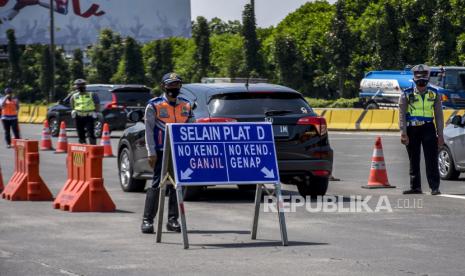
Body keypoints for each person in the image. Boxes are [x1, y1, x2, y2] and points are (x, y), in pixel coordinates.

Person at [141, 73, 193, 234]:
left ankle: (172, 220)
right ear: (163, 86)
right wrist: (151, 152)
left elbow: (193, 128)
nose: (174, 88)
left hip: (180, 152)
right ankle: (147, 220)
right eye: (170, 85)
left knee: (178, 185)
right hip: (161, 151)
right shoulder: (154, 105)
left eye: (177, 85)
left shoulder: (186, 105)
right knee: (157, 184)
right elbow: (148, 131)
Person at [399, 64, 444, 195]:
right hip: (412, 129)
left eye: (424, 82)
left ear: (427, 80)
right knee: (413, 158)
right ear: (414, 80)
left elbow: (439, 116)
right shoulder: (406, 94)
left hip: (428, 128)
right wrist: (403, 133)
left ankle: (434, 187)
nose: (421, 85)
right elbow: (401, 114)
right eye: (419, 82)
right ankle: (415, 187)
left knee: (431, 158)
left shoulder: (434, 93)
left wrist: (440, 135)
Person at [69, 79, 100, 145]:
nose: (80, 87)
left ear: (85, 86)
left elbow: (97, 104)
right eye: (78, 85)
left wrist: (96, 112)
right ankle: (83, 148)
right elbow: (72, 105)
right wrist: (73, 111)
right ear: (76, 87)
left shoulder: (92, 94)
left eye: (82, 85)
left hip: (89, 116)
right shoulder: (74, 96)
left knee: (90, 133)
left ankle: (92, 148)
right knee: (80, 134)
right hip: (78, 117)